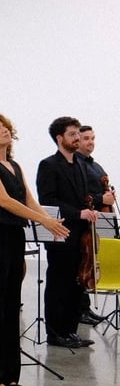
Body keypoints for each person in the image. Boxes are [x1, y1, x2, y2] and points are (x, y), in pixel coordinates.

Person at [0, 113, 68, 386]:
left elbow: (28, 199)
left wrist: (50, 220)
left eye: (6, 127)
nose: (4, 131)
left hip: (13, 237)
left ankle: (10, 375)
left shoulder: (15, 165)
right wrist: (43, 220)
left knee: (10, 306)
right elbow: (4, 201)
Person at [36, 116, 97, 349]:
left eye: (78, 134)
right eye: (72, 134)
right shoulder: (49, 165)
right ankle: (55, 333)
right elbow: (48, 201)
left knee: (76, 285)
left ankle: (70, 331)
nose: (77, 138)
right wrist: (78, 213)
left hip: (81, 235)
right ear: (60, 138)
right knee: (58, 284)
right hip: (60, 233)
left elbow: (83, 198)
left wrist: (90, 210)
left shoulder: (80, 164)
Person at [76, 125, 115, 325]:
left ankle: (85, 308)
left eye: (92, 138)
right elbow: (82, 195)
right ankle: (79, 309)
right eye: (86, 139)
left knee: (91, 262)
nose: (90, 142)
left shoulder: (96, 166)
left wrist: (109, 196)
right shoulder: (77, 166)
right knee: (82, 264)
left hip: (99, 221)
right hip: (85, 221)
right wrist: (102, 199)